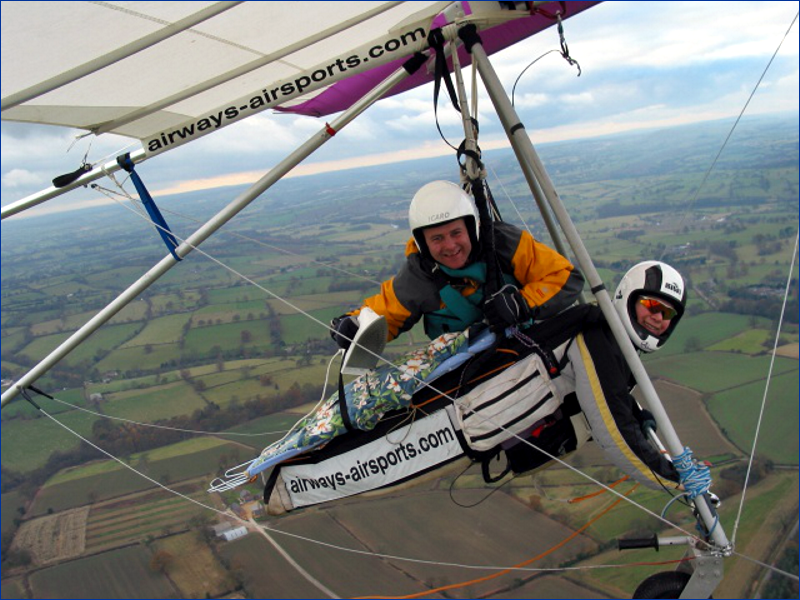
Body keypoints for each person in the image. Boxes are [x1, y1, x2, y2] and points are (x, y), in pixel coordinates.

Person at [330, 180, 585, 348]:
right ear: (423, 243)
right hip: (471, 362)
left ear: (472, 229)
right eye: (437, 239)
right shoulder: (420, 274)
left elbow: (564, 277)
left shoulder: (504, 243)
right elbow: (388, 311)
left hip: (530, 340)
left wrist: (523, 303)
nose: (450, 246)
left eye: (456, 233)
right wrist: (354, 325)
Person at [501, 260, 690, 487]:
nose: (658, 317)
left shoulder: (612, 341)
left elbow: (603, 392)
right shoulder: (597, 338)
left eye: (666, 312)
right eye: (650, 304)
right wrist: (676, 479)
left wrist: (634, 415)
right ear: (628, 297)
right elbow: (613, 429)